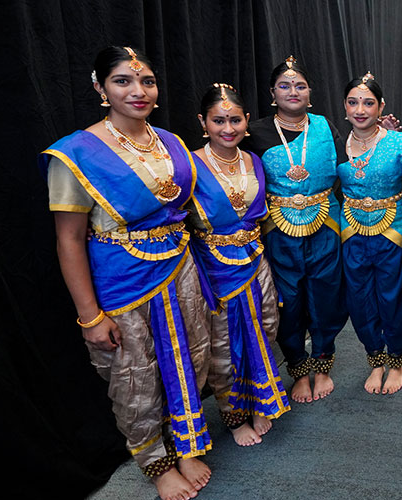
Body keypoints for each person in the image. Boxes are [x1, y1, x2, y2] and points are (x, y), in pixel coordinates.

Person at [42, 46, 212, 500]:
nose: (138, 91)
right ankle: (156, 463)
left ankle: (187, 441)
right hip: (122, 278)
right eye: (122, 81)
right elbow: (69, 240)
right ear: (100, 88)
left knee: (191, 357)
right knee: (135, 374)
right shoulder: (77, 154)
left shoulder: (172, 142)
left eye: (147, 82)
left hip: (180, 267)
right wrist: (90, 317)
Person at [241, 56, 348, 403]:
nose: (293, 91)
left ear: (309, 92)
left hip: (325, 224)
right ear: (272, 92)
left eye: (300, 85)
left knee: (326, 295)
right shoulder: (254, 132)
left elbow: (347, 168)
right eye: (285, 86)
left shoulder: (325, 126)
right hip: (279, 230)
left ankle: (322, 364)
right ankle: (298, 369)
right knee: (288, 301)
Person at [189, 84, 290, 447]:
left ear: (247, 121)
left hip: (254, 261)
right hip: (215, 269)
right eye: (219, 121)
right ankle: (233, 418)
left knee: (264, 327)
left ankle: (262, 399)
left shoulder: (254, 161)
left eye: (235, 120)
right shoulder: (189, 166)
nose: (227, 128)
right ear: (204, 122)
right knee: (224, 343)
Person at [338, 73, 402, 394]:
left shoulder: (399, 141)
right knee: (359, 297)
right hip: (351, 230)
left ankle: (396, 359)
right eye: (353, 102)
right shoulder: (335, 142)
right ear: (345, 106)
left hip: (392, 229)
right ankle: (375, 359)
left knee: (392, 294)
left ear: (380, 106)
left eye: (368, 102)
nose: (360, 109)